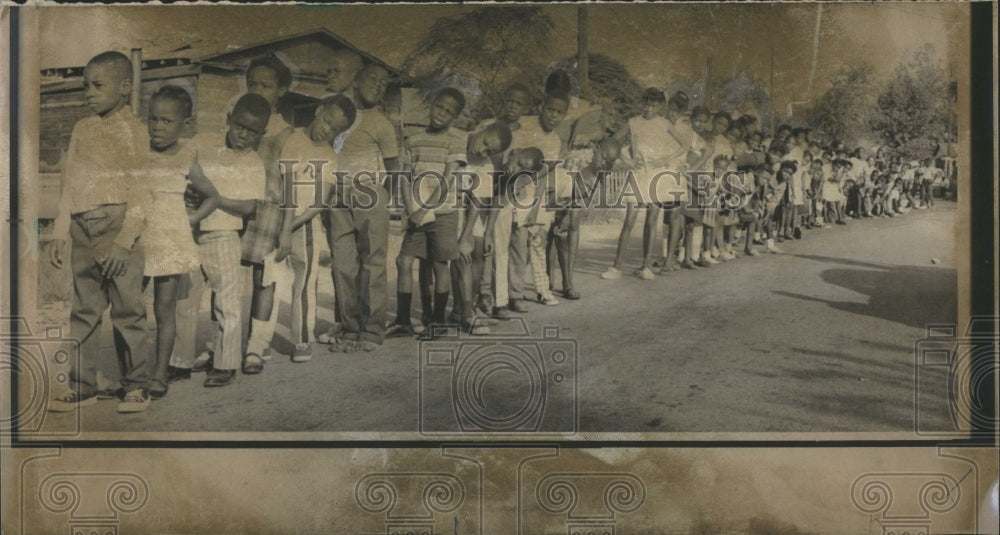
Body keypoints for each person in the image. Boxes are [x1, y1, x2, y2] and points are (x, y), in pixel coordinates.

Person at [48, 51, 153, 413]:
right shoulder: (82, 128)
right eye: (84, 86)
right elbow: (70, 183)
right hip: (81, 225)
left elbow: (142, 192)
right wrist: (60, 231)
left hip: (117, 225)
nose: (88, 93)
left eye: (97, 85)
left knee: (128, 310)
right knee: (84, 309)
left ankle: (137, 386)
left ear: (125, 88)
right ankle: (83, 385)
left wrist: (124, 243)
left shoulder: (134, 130)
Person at [187, 93, 273, 386]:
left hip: (224, 231)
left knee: (226, 299)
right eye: (239, 126)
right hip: (189, 229)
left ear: (261, 134)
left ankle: (226, 364)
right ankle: (184, 358)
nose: (243, 135)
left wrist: (214, 199)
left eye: (252, 131)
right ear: (230, 120)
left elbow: (250, 206)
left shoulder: (253, 163)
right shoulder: (203, 143)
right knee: (187, 298)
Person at [142, 85, 219, 399]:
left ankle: (159, 375)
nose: (158, 127)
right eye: (153, 119)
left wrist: (190, 219)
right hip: (138, 237)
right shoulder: (138, 151)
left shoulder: (187, 157)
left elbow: (213, 196)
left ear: (185, 124)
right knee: (130, 307)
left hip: (169, 241)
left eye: (167, 121)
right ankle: (133, 375)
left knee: (164, 310)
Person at [278, 95, 357, 362]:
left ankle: (301, 340)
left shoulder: (328, 156)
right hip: (277, 219)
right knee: (265, 282)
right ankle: (257, 343)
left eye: (334, 130)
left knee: (305, 280)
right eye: (326, 122)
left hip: (304, 223)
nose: (326, 130)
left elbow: (320, 201)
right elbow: (287, 186)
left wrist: (292, 226)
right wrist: (282, 228)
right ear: (319, 110)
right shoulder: (293, 139)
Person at [328, 64, 399, 353]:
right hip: (336, 194)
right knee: (343, 264)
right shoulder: (338, 115)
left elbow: (395, 168)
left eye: (384, 82)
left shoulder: (382, 123)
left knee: (372, 264)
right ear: (356, 80)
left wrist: (382, 199)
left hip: (370, 194)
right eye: (373, 78)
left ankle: (371, 331)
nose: (379, 85)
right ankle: (349, 327)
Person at [388, 88, 468, 338]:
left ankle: (437, 321)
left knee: (439, 265)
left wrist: (424, 209)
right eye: (439, 107)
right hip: (416, 213)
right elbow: (403, 176)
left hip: (443, 214)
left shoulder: (455, 142)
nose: (441, 114)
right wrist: (411, 208)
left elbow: (447, 180)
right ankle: (402, 320)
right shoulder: (412, 139)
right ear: (431, 105)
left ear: (454, 116)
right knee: (403, 261)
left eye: (448, 112)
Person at [242, 55, 296, 364]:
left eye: (266, 85)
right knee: (229, 276)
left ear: (281, 91)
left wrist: (287, 228)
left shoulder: (285, 133)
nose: (258, 90)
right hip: (237, 207)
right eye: (252, 84)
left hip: (270, 211)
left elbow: (290, 185)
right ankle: (222, 339)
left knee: (266, 277)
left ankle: (257, 343)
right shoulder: (238, 120)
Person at [601, 88, 682, 280]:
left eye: (654, 105)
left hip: (656, 175)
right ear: (642, 103)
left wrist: (666, 159)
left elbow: (685, 144)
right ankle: (616, 267)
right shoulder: (634, 122)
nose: (649, 108)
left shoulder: (664, 124)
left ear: (660, 106)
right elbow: (612, 141)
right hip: (638, 174)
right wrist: (627, 161)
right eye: (647, 104)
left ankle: (646, 266)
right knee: (629, 221)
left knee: (652, 220)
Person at [449, 124, 513, 332]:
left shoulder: (486, 165)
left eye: (490, 152)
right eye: (485, 143)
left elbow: (477, 201)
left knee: (477, 250)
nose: (482, 151)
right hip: (449, 205)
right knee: (462, 257)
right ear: (482, 130)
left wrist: (469, 235)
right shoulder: (457, 141)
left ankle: (463, 307)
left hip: (470, 209)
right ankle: (467, 314)